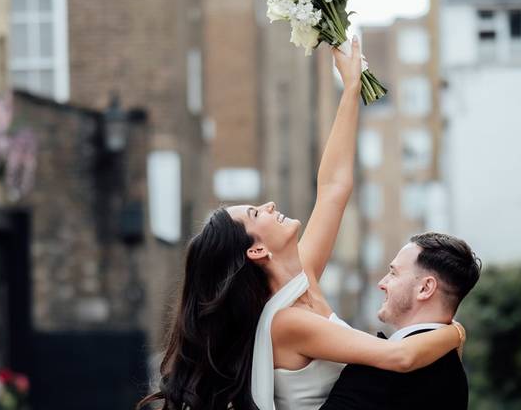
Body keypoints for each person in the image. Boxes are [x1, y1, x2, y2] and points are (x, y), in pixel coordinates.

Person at [138, 38, 465, 410]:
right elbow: (400, 357)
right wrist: (454, 332)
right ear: (257, 250)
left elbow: (333, 189)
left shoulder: (299, 283)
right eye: (256, 214)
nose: (269, 205)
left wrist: (350, 87)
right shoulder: (288, 322)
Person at [320, 233, 482, 410]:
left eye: (393, 273)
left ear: (425, 288)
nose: (381, 283)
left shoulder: (381, 370)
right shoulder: (455, 373)